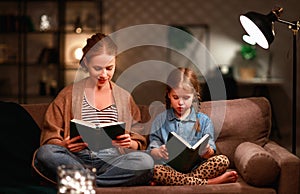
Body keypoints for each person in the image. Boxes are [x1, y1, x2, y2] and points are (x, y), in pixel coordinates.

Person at [32, 33, 154, 187]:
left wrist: (131, 144)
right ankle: (98, 181)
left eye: (110, 68)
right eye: (97, 68)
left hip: (112, 161)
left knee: (145, 162)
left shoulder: (124, 97)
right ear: (86, 63)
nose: (104, 75)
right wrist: (65, 145)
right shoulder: (67, 95)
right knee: (46, 153)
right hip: (76, 159)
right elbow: (50, 137)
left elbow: (139, 138)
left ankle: (85, 182)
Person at [148, 67, 238, 185]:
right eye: (176, 97)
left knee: (222, 160)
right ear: (169, 95)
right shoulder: (160, 120)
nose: (180, 103)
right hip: (168, 168)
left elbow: (211, 150)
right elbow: (152, 146)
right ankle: (210, 182)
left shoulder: (204, 120)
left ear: (194, 96)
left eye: (186, 98)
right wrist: (157, 151)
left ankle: (176, 181)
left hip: (196, 168)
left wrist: (207, 151)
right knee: (152, 169)